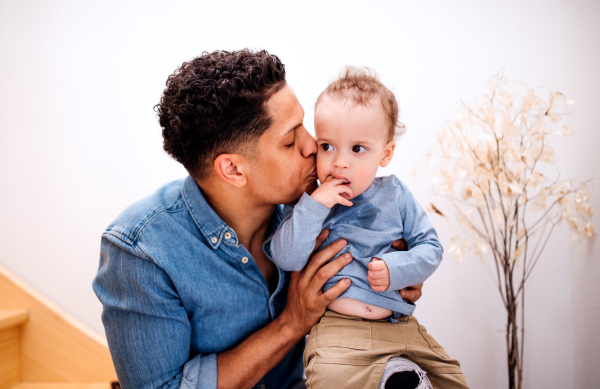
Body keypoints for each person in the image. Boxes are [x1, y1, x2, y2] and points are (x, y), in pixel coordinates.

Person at [93, 49, 424, 389]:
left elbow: (396, 259)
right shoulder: (140, 252)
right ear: (234, 169)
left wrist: (399, 271)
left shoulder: (315, 211)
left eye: (305, 127)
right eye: (290, 139)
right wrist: (291, 323)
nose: (314, 146)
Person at [269, 68, 469, 389]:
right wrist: (316, 205)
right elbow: (286, 257)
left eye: (357, 149)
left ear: (385, 154)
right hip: (339, 328)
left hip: (399, 323)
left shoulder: (396, 194)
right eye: (327, 146)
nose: (339, 162)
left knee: (453, 379)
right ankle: (394, 376)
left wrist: (397, 267)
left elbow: (430, 248)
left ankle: (398, 374)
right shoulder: (309, 202)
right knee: (329, 377)